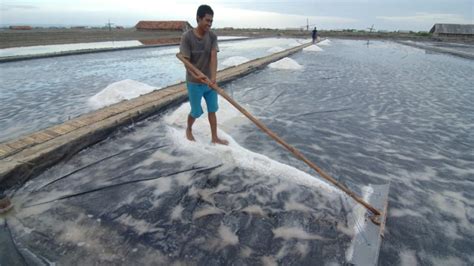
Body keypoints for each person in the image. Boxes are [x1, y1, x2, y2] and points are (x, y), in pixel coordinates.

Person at [179, 4, 228, 145]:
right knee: (196, 111)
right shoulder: (187, 37)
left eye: (211, 21)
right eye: (207, 20)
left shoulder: (212, 36)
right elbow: (186, 62)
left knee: (212, 109)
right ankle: (188, 129)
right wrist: (197, 76)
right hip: (194, 82)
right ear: (198, 19)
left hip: (209, 82)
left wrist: (213, 79)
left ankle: (214, 138)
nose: (209, 24)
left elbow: (213, 57)